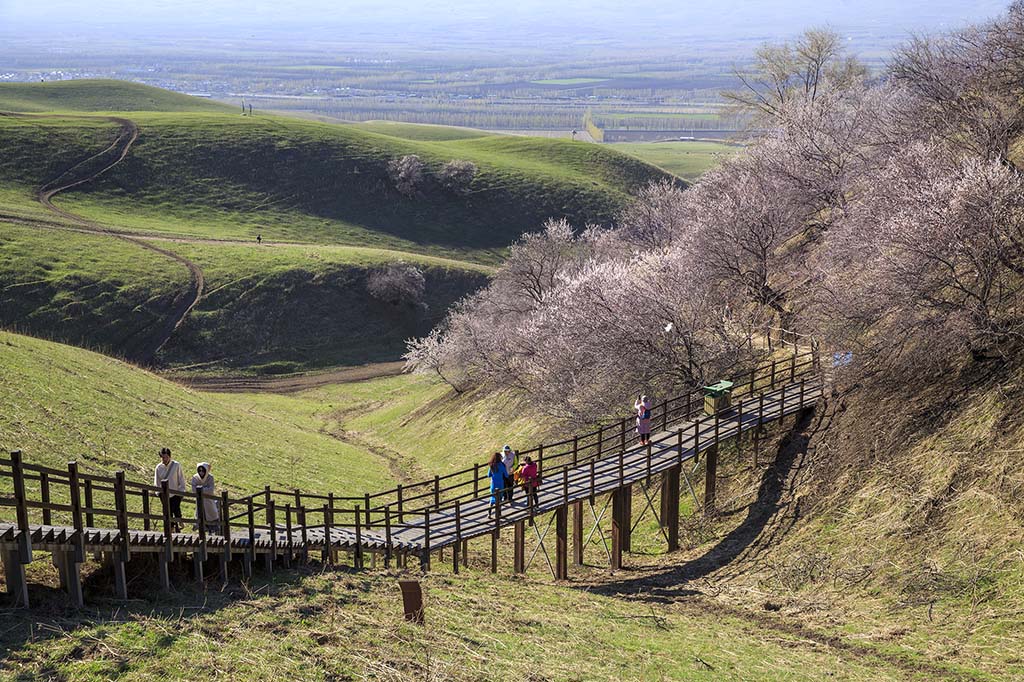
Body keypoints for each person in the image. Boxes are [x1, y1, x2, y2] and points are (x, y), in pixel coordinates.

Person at [154, 447, 186, 532]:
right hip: (164, 493)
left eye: (166, 457)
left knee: (175, 508)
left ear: (170, 456)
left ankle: (178, 522)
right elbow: (157, 481)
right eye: (162, 457)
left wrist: (182, 491)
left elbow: (181, 478)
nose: (164, 459)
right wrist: (158, 493)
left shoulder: (176, 465)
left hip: (175, 492)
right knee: (168, 511)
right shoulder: (158, 467)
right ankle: (173, 528)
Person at [191, 463, 221, 534]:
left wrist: (200, 490)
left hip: (209, 501)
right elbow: (194, 490)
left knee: (211, 515)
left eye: (203, 471)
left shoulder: (210, 477)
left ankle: (211, 532)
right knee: (200, 515)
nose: (201, 472)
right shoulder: (195, 478)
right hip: (199, 501)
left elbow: (211, 490)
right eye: (200, 471)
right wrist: (204, 490)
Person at [486, 452, 507, 517]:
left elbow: (488, 475)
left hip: (493, 484)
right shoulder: (502, 465)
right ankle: (499, 514)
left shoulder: (492, 465)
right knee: (499, 499)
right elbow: (506, 475)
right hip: (500, 484)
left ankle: (489, 513)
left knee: (492, 498)